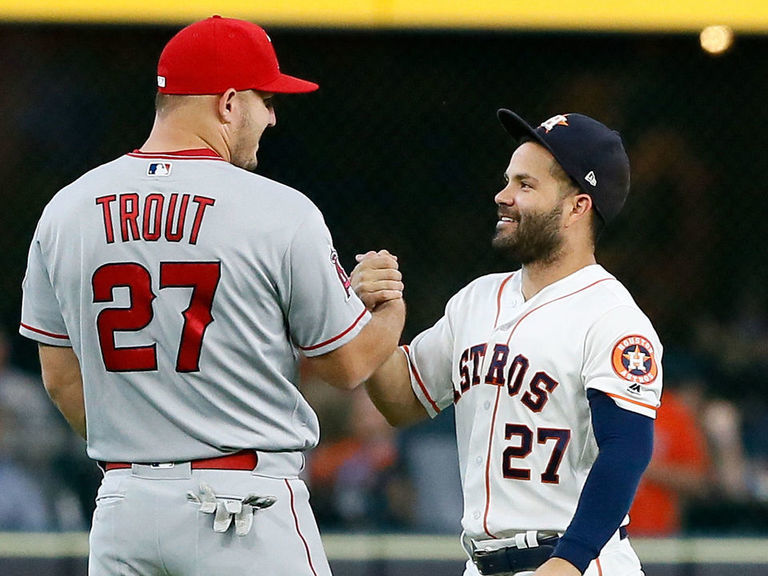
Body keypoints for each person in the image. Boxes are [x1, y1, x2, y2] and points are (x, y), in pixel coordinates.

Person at [19, 15, 404, 576]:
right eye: (265, 98)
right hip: (243, 509)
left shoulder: (66, 210)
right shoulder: (278, 210)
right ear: (228, 104)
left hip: (125, 508)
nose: (272, 115)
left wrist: (149, 452)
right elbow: (345, 366)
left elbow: (59, 377)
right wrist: (389, 308)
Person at [352, 111, 663, 576]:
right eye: (507, 181)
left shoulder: (612, 317)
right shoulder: (477, 299)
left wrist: (570, 562)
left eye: (525, 185)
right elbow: (400, 400)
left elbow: (627, 450)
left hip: (576, 560)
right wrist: (374, 320)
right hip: (482, 562)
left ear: (578, 207)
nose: (503, 196)